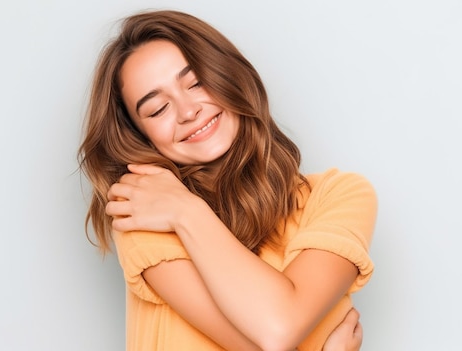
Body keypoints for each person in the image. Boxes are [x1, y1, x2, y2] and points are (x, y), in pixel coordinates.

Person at [78, 9, 376, 351]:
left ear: (229, 75)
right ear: (139, 134)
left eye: (196, 83)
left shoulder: (340, 195)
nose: (188, 111)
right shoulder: (142, 209)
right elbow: (277, 333)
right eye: (158, 109)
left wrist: (186, 212)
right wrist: (183, 210)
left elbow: (278, 327)